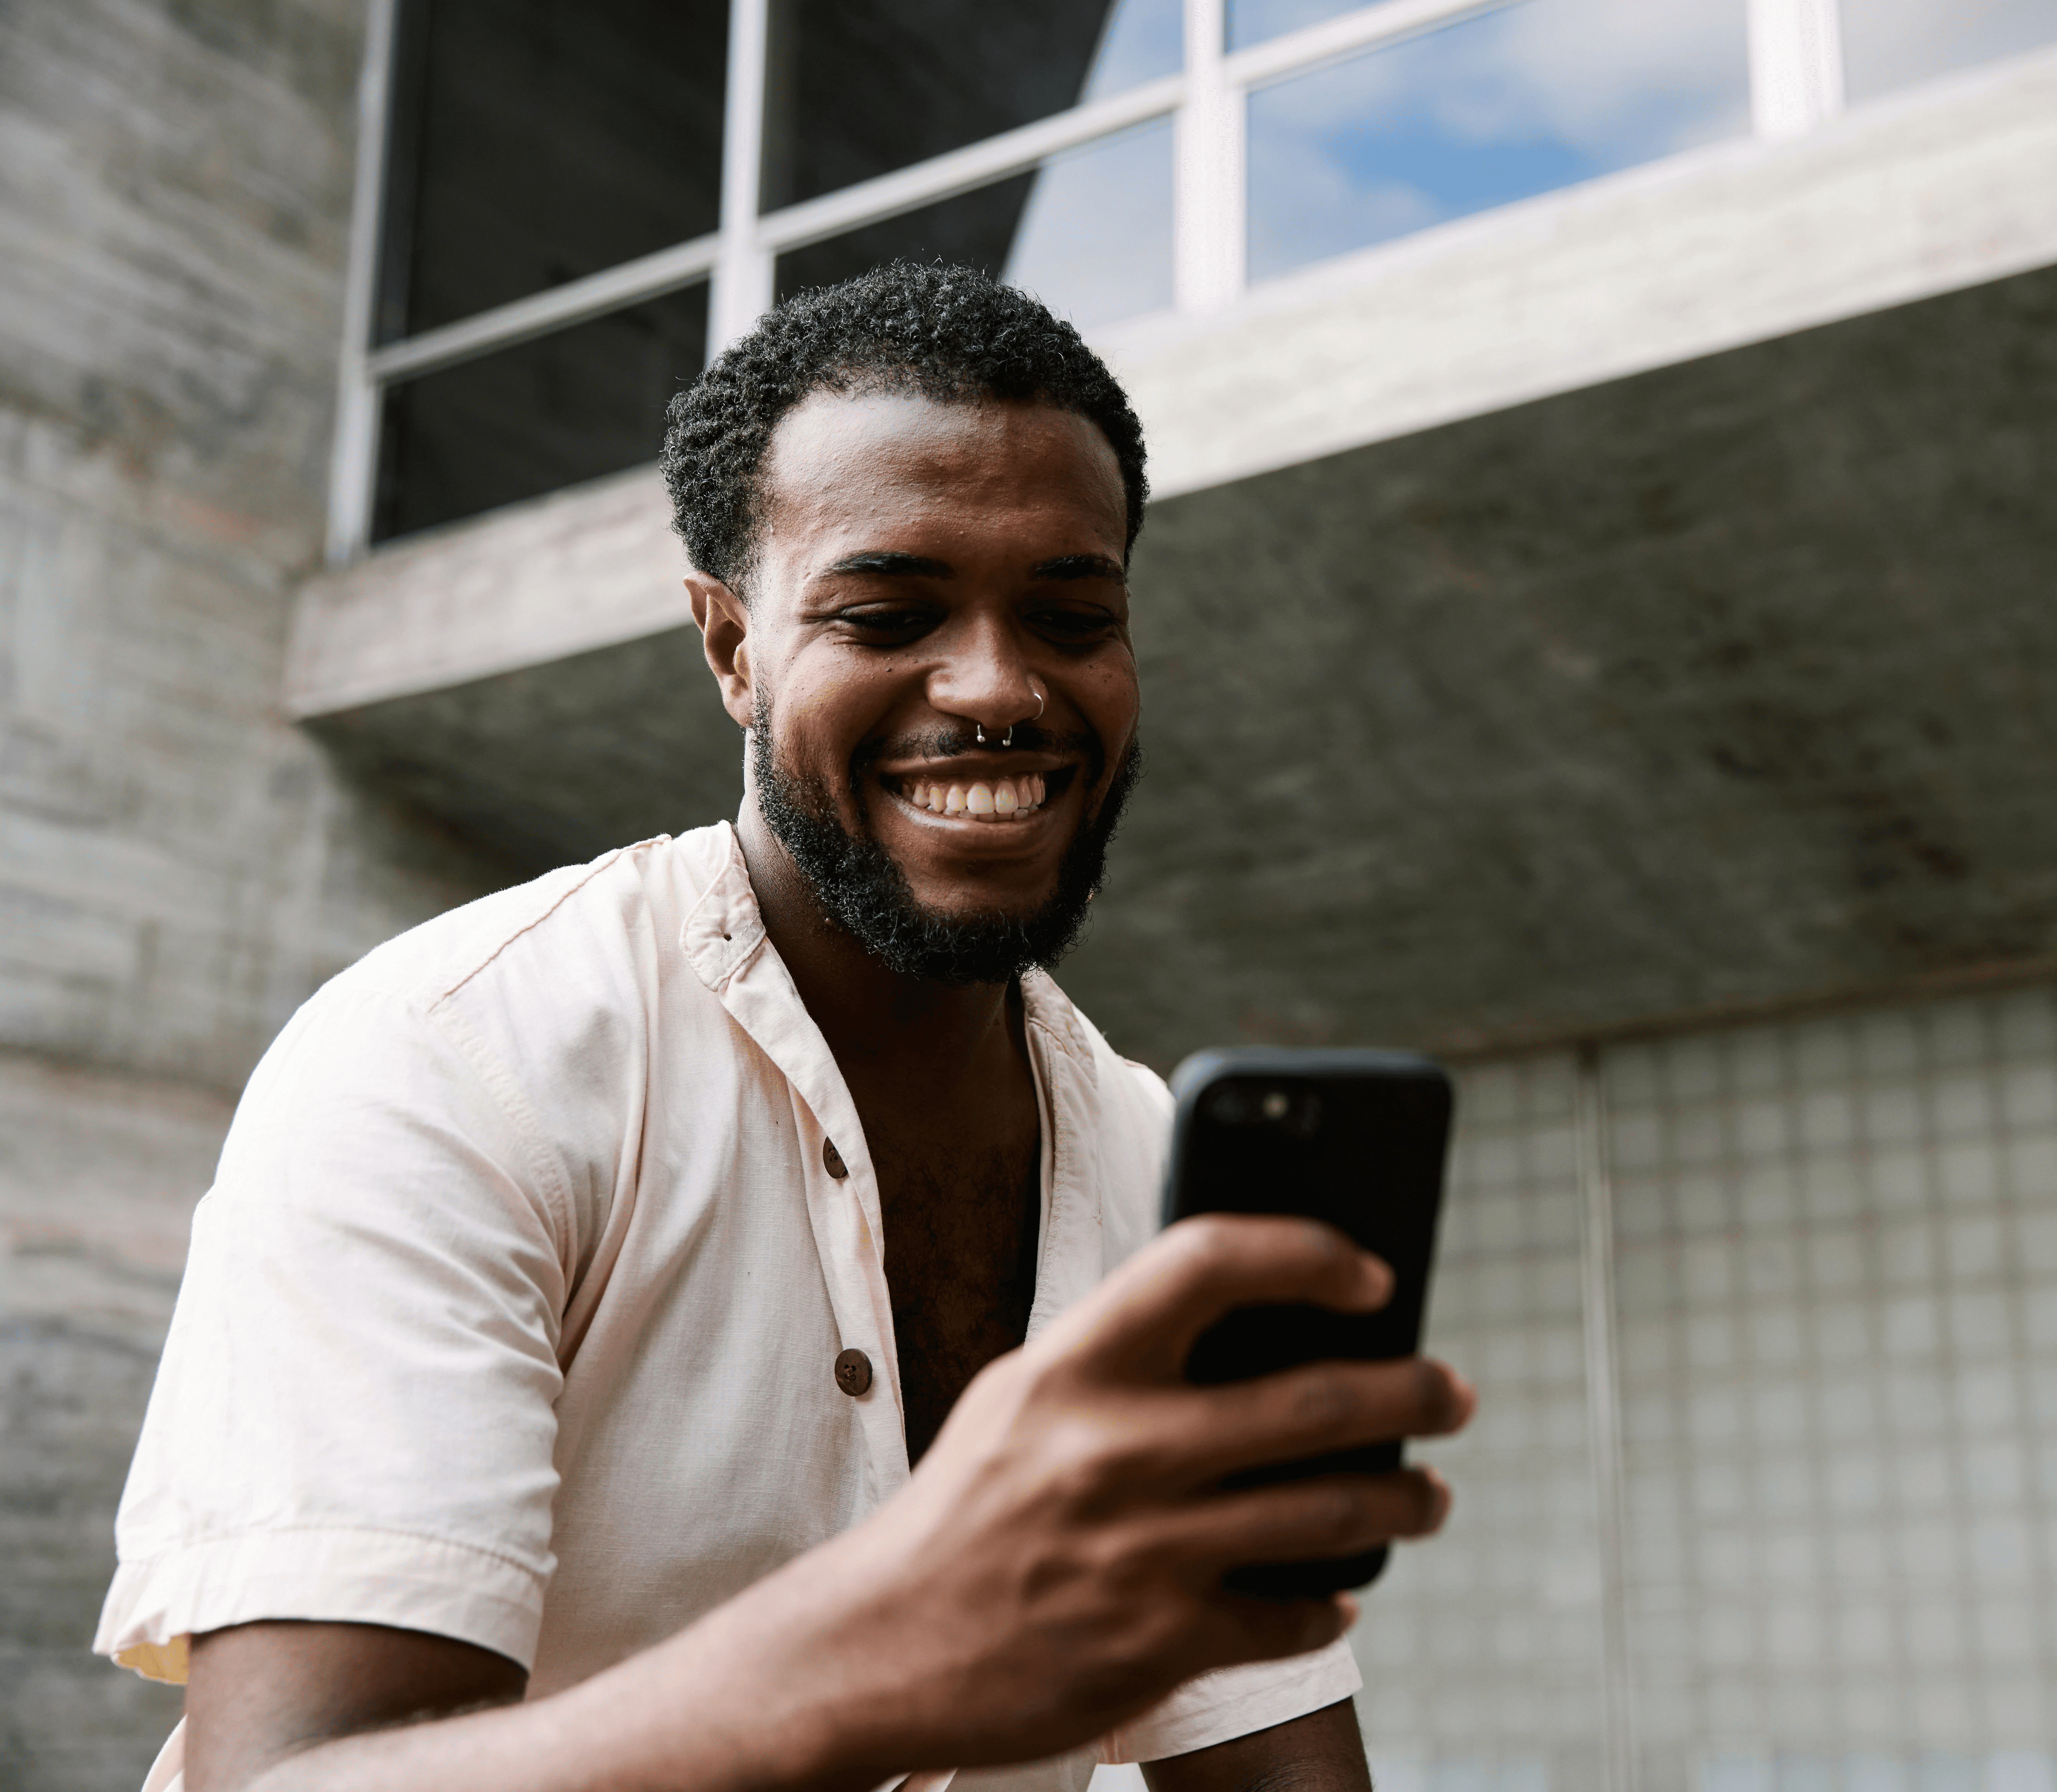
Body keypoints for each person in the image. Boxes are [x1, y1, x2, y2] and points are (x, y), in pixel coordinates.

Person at [96, 264, 1475, 1792]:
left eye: (1072, 616)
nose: (998, 686)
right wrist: (877, 1657)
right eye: (888, 613)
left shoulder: (1154, 1161)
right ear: (731, 645)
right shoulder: (447, 1062)